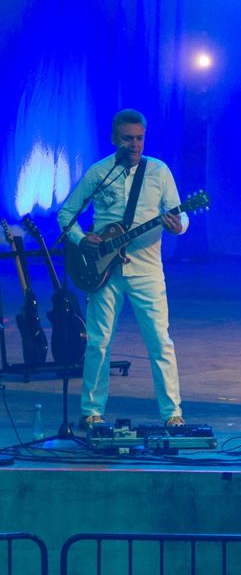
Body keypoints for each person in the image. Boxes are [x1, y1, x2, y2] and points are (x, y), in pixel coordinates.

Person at [57, 108, 189, 430]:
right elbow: (67, 214)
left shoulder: (158, 171)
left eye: (140, 138)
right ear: (115, 139)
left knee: (160, 341)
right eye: (128, 138)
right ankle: (91, 411)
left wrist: (179, 225)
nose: (135, 144)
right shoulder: (100, 172)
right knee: (99, 342)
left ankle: (172, 413)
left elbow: (181, 214)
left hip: (147, 270)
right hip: (103, 271)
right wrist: (82, 239)